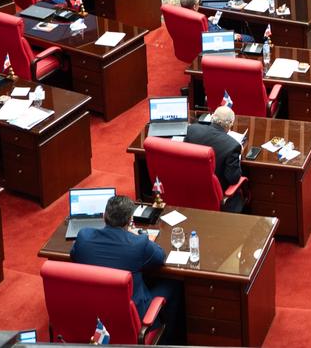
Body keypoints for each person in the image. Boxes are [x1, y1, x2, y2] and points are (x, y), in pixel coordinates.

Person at [70, 195, 183, 342]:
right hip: (131, 319)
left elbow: (74, 254)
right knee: (174, 284)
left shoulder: (84, 237)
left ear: (104, 216)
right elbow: (160, 257)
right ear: (130, 221)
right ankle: (170, 341)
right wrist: (137, 235)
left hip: (94, 313)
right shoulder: (138, 243)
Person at [184, 105, 245, 212]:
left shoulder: (192, 129)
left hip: (189, 188)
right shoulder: (233, 146)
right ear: (230, 124)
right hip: (214, 195)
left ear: (212, 117)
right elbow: (233, 179)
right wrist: (238, 157)